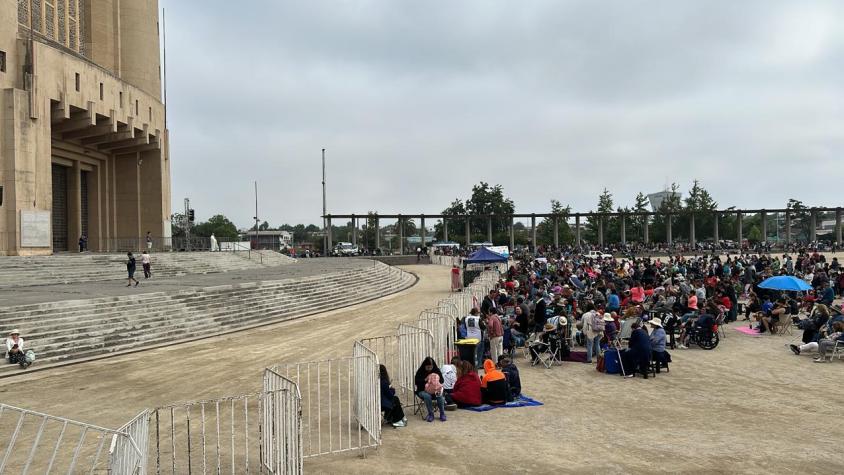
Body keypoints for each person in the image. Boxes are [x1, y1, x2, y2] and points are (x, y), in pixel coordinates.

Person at [414, 357, 446, 422]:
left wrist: (436, 380)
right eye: (427, 367)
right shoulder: (420, 371)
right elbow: (417, 382)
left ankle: (442, 414)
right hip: (422, 390)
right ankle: (431, 414)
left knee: (440, 395)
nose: (429, 369)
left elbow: (442, 380)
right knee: (427, 396)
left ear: (433, 366)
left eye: (430, 367)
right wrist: (425, 380)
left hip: (435, 390)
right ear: (424, 366)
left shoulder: (436, 370)